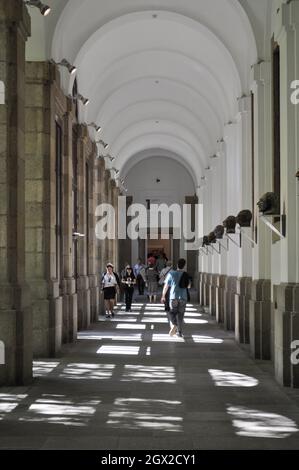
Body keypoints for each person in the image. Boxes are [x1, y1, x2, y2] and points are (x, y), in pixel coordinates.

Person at [161, 258, 189, 338]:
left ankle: (173, 325)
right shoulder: (185, 274)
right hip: (183, 297)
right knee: (180, 315)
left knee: (172, 313)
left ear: (177, 265)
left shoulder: (171, 273)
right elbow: (189, 286)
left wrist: (163, 296)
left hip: (173, 297)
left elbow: (166, 286)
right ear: (184, 266)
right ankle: (179, 332)